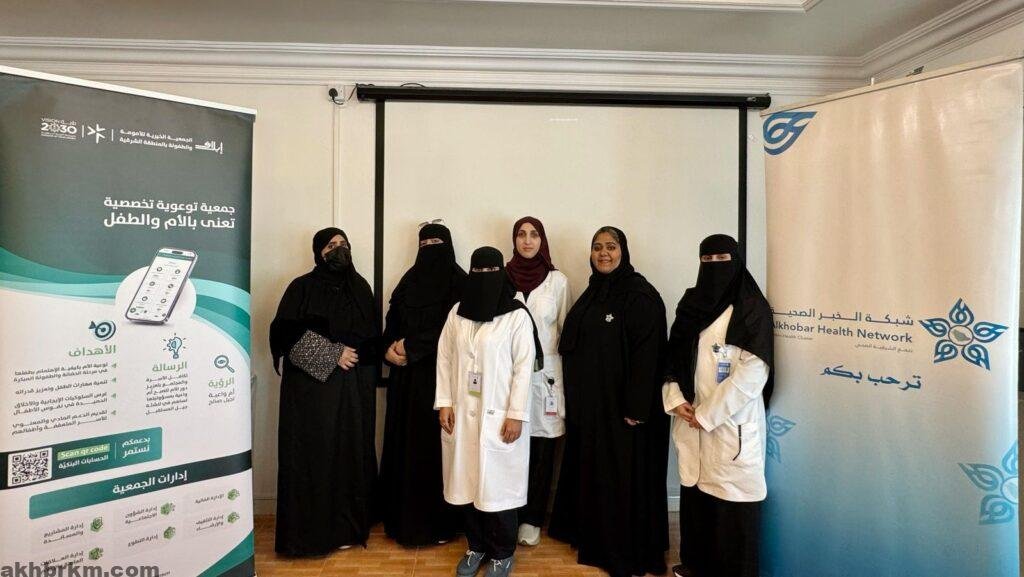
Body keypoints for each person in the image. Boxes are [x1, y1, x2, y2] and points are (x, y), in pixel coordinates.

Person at [548, 226, 669, 577]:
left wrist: (636, 408)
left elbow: (648, 355)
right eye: (597, 247)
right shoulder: (593, 292)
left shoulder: (639, 296)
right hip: (593, 407)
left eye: (611, 247)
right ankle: (592, 533)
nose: (603, 253)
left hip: (623, 412)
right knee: (595, 472)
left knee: (619, 477)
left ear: (623, 251)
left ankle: (617, 547)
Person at [662, 234, 773, 577]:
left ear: (736, 261)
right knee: (697, 498)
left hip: (729, 424)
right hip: (689, 416)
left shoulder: (751, 307)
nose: (713, 266)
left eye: (721, 259)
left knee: (732, 509)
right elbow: (672, 355)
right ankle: (695, 566)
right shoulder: (691, 303)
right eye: (706, 260)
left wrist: (708, 414)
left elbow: (754, 372)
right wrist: (676, 399)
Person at [269, 227, 381, 556]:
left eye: (344, 244)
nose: (339, 250)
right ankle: (314, 537)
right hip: (312, 394)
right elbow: (283, 334)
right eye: (331, 245)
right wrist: (333, 354)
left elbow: (372, 336)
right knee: (316, 456)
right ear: (318, 252)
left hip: (354, 391)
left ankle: (349, 528)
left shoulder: (360, 287)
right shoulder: (301, 287)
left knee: (350, 454)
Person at [435, 247, 542, 577]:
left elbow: (524, 368)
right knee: (467, 484)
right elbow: (445, 358)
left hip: (500, 416)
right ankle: (476, 546)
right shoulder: (457, 313)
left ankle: (502, 553)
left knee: (498, 489)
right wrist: (445, 402)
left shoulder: (516, 315)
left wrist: (516, 414)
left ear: (501, 273)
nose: (484, 278)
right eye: (478, 272)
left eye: (490, 271)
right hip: (462, 412)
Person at [378, 222, 466, 546]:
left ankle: (441, 525)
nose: (430, 248)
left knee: (436, 452)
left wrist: (411, 346)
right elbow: (391, 322)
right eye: (424, 243)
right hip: (404, 381)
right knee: (405, 450)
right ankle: (403, 522)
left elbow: (455, 330)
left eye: (436, 242)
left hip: (441, 382)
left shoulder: (461, 283)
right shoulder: (408, 281)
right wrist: (388, 350)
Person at [505, 217, 570, 547]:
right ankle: (511, 513)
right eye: (521, 234)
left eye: (534, 235)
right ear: (514, 240)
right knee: (511, 445)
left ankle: (532, 518)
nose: (527, 240)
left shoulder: (558, 281)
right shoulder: (503, 278)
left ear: (542, 240)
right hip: (510, 377)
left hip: (546, 379)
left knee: (543, 449)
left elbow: (564, 330)